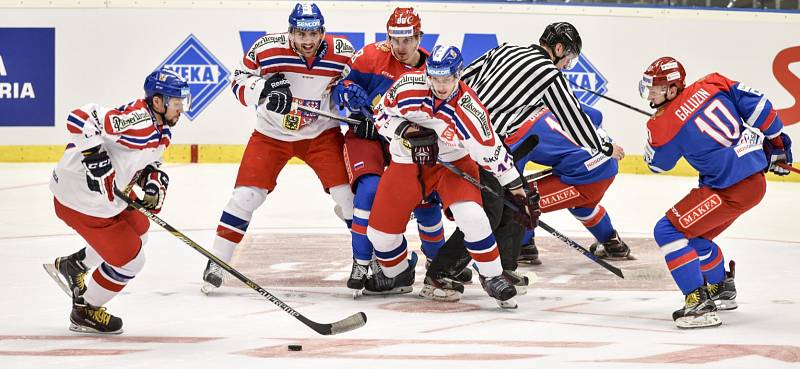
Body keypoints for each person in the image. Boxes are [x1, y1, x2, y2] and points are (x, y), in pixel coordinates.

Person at [426, 22, 624, 297]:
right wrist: (605, 147)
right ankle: (440, 273)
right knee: (491, 211)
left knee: (518, 201)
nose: (567, 63)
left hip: (465, 137)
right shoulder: (549, 75)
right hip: (485, 146)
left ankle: (505, 266)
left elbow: (463, 78)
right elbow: (574, 120)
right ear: (558, 49)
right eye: (569, 56)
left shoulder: (506, 50)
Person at [366, 45, 540, 308]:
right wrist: (407, 129)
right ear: (428, 75)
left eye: (447, 79)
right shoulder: (406, 87)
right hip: (406, 162)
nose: (441, 86)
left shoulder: (471, 111)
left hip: (453, 164)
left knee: (474, 216)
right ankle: (399, 272)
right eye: (435, 78)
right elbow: (381, 117)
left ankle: (493, 277)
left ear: (458, 75)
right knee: (379, 235)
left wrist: (517, 191)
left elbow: (492, 153)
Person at [201, 2, 356, 293]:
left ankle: (366, 260)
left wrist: (349, 96)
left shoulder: (343, 52)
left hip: (321, 135)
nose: (307, 41)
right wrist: (264, 91)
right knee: (245, 197)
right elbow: (237, 80)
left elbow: (354, 85)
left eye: (313, 34)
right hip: (271, 134)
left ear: (323, 32)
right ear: (290, 32)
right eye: (300, 34)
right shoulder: (267, 48)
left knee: (347, 197)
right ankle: (217, 260)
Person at [639, 56, 792, 328]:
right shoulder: (713, 82)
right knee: (694, 238)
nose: (650, 92)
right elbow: (761, 108)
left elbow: (658, 166)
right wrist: (777, 143)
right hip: (753, 182)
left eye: (656, 87)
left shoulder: (662, 125)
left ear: (673, 89)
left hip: (727, 188)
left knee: (668, 231)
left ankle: (698, 305)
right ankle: (721, 287)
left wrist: (653, 137)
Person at [47, 68, 191, 334]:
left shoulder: (163, 130)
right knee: (132, 260)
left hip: (104, 196)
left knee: (141, 231)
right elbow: (79, 118)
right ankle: (85, 310)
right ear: (157, 102)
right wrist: (95, 160)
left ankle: (74, 265)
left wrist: (153, 181)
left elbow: (147, 162)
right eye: (176, 102)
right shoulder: (136, 120)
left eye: (184, 102)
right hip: (78, 196)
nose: (181, 109)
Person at [330, 7, 449, 293]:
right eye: (394, 39)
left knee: (427, 205)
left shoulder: (433, 71)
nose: (400, 46)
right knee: (368, 192)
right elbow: (339, 87)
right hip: (367, 137)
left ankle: (439, 266)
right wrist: (348, 92)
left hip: (407, 145)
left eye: (407, 39)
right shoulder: (370, 56)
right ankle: (363, 262)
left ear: (419, 37)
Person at [509, 104, 631, 266]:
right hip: (608, 162)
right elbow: (596, 115)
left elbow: (511, 178)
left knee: (518, 201)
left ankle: (524, 248)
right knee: (582, 207)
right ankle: (613, 244)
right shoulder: (545, 104)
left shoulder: (515, 135)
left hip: (587, 177)